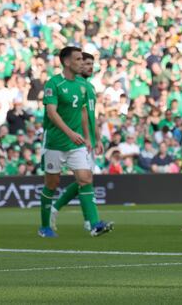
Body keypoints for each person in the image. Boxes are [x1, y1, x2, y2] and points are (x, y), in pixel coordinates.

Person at [38, 47, 112, 238]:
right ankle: (45, 226)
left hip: (76, 143)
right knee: (52, 184)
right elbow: (51, 113)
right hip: (55, 142)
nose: (82, 62)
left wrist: (88, 137)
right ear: (67, 62)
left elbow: (84, 113)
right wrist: (70, 133)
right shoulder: (53, 83)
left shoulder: (82, 85)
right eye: (78, 59)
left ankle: (94, 224)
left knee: (85, 179)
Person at [50, 52, 102, 231]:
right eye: (85, 63)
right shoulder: (76, 86)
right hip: (76, 139)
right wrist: (87, 137)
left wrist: (98, 138)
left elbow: (92, 115)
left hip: (88, 139)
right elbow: (83, 115)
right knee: (85, 179)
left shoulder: (89, 87)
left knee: (86, 179)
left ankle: (84, 218)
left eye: (90, 64)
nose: (89, 67)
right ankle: (89, 220)